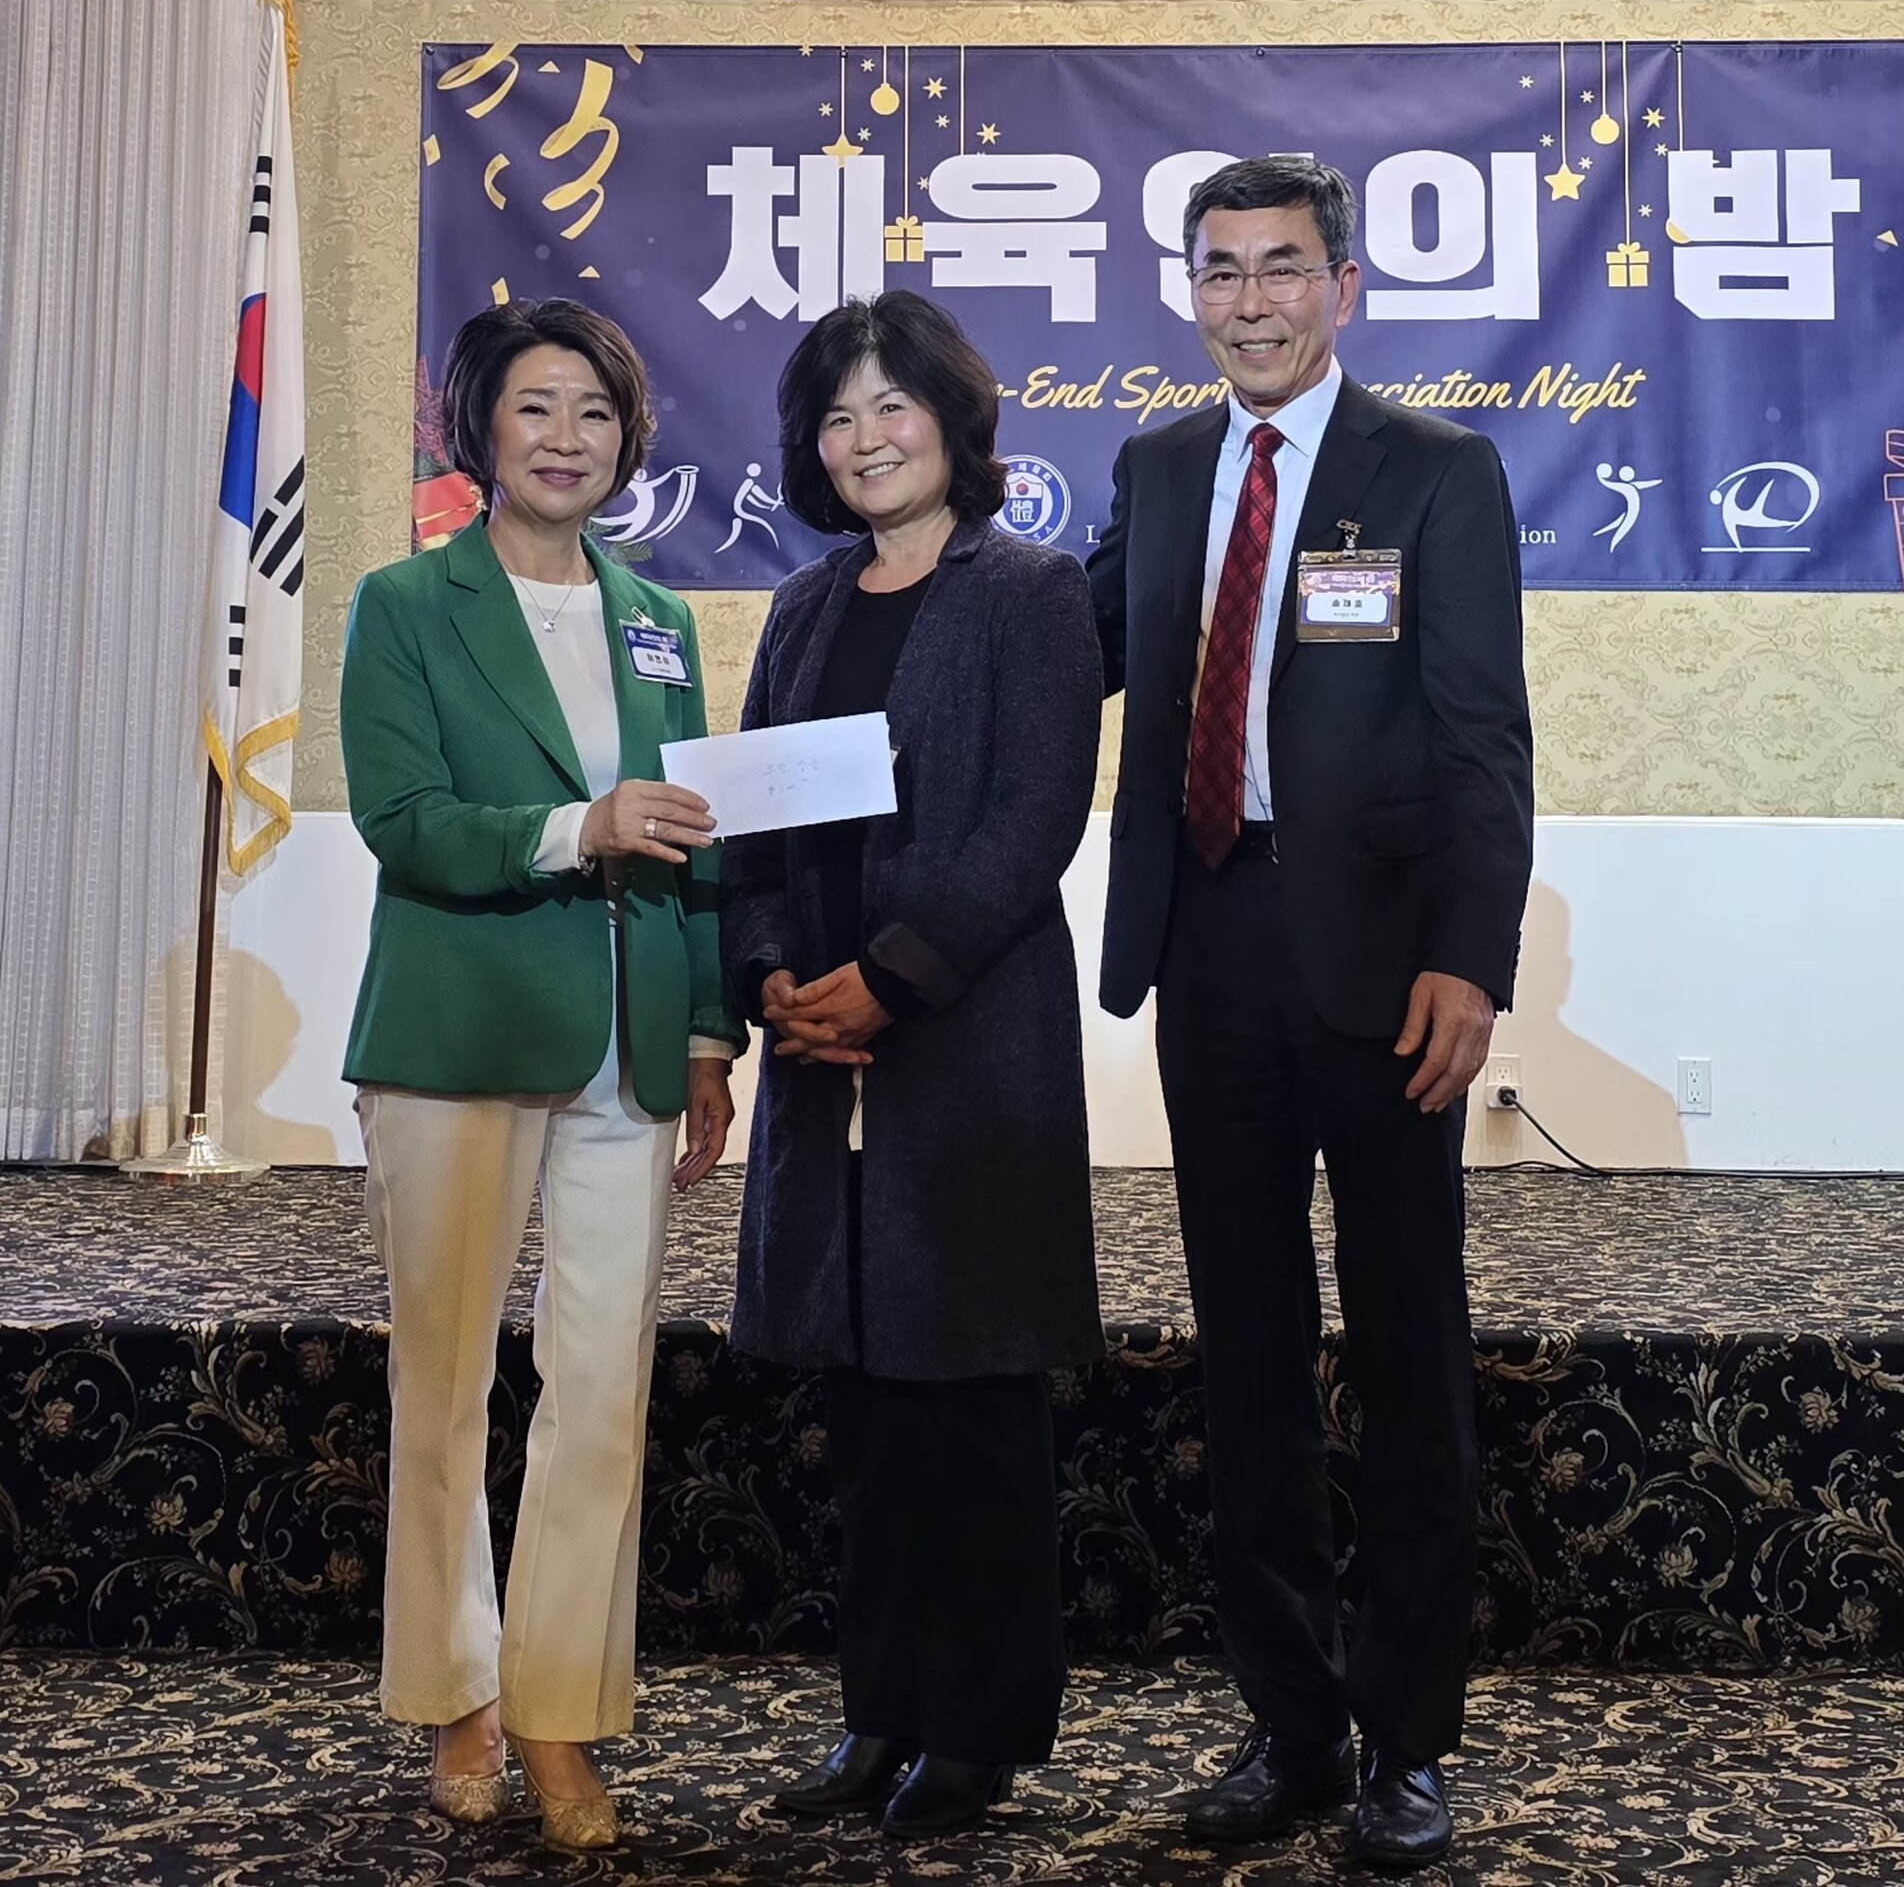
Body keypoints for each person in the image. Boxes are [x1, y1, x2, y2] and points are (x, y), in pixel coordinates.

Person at [1087, 156, 1534, 1870]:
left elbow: (1483, 735)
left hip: (1385, 964)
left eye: (1282, 268)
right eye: (1220, 271)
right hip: (1207, 943)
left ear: (1345, 288)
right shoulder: (1156, 468)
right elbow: (1070, 647)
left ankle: (1407, 1739)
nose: (1251, 301)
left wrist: (1470, 957)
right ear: (1189, 292)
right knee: (1248, 1349)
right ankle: (1288, 1725)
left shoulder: (1436, 472)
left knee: (1408, 1344)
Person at [339, 297, 743, 1852]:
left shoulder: (657, 618)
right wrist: (579, 826)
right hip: (458, 1036)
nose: (567, 437)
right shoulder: (404, 602)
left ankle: (562, 1710)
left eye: (595, 412)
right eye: (536, 407)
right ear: (480, 429)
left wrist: (707, 1035)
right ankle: (459, 1691)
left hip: (630, 1048)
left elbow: (693, 835)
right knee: (444, 1386)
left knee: (603, 1392)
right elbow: (407, 820)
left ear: (628, 440)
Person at [720, 290, 1104, 1840]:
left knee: (972, 1406)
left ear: (953, 421)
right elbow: (748, 821)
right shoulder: (803, 608)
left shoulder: (1031, 593)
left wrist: (889, 978)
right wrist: (770, 977)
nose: (867, 437)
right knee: (866, 1413)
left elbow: (1033, 821)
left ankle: (980, 1728)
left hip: (969, 1050)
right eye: (836, 416)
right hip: (823, 1057)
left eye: (893, 406)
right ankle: (876, 1714)